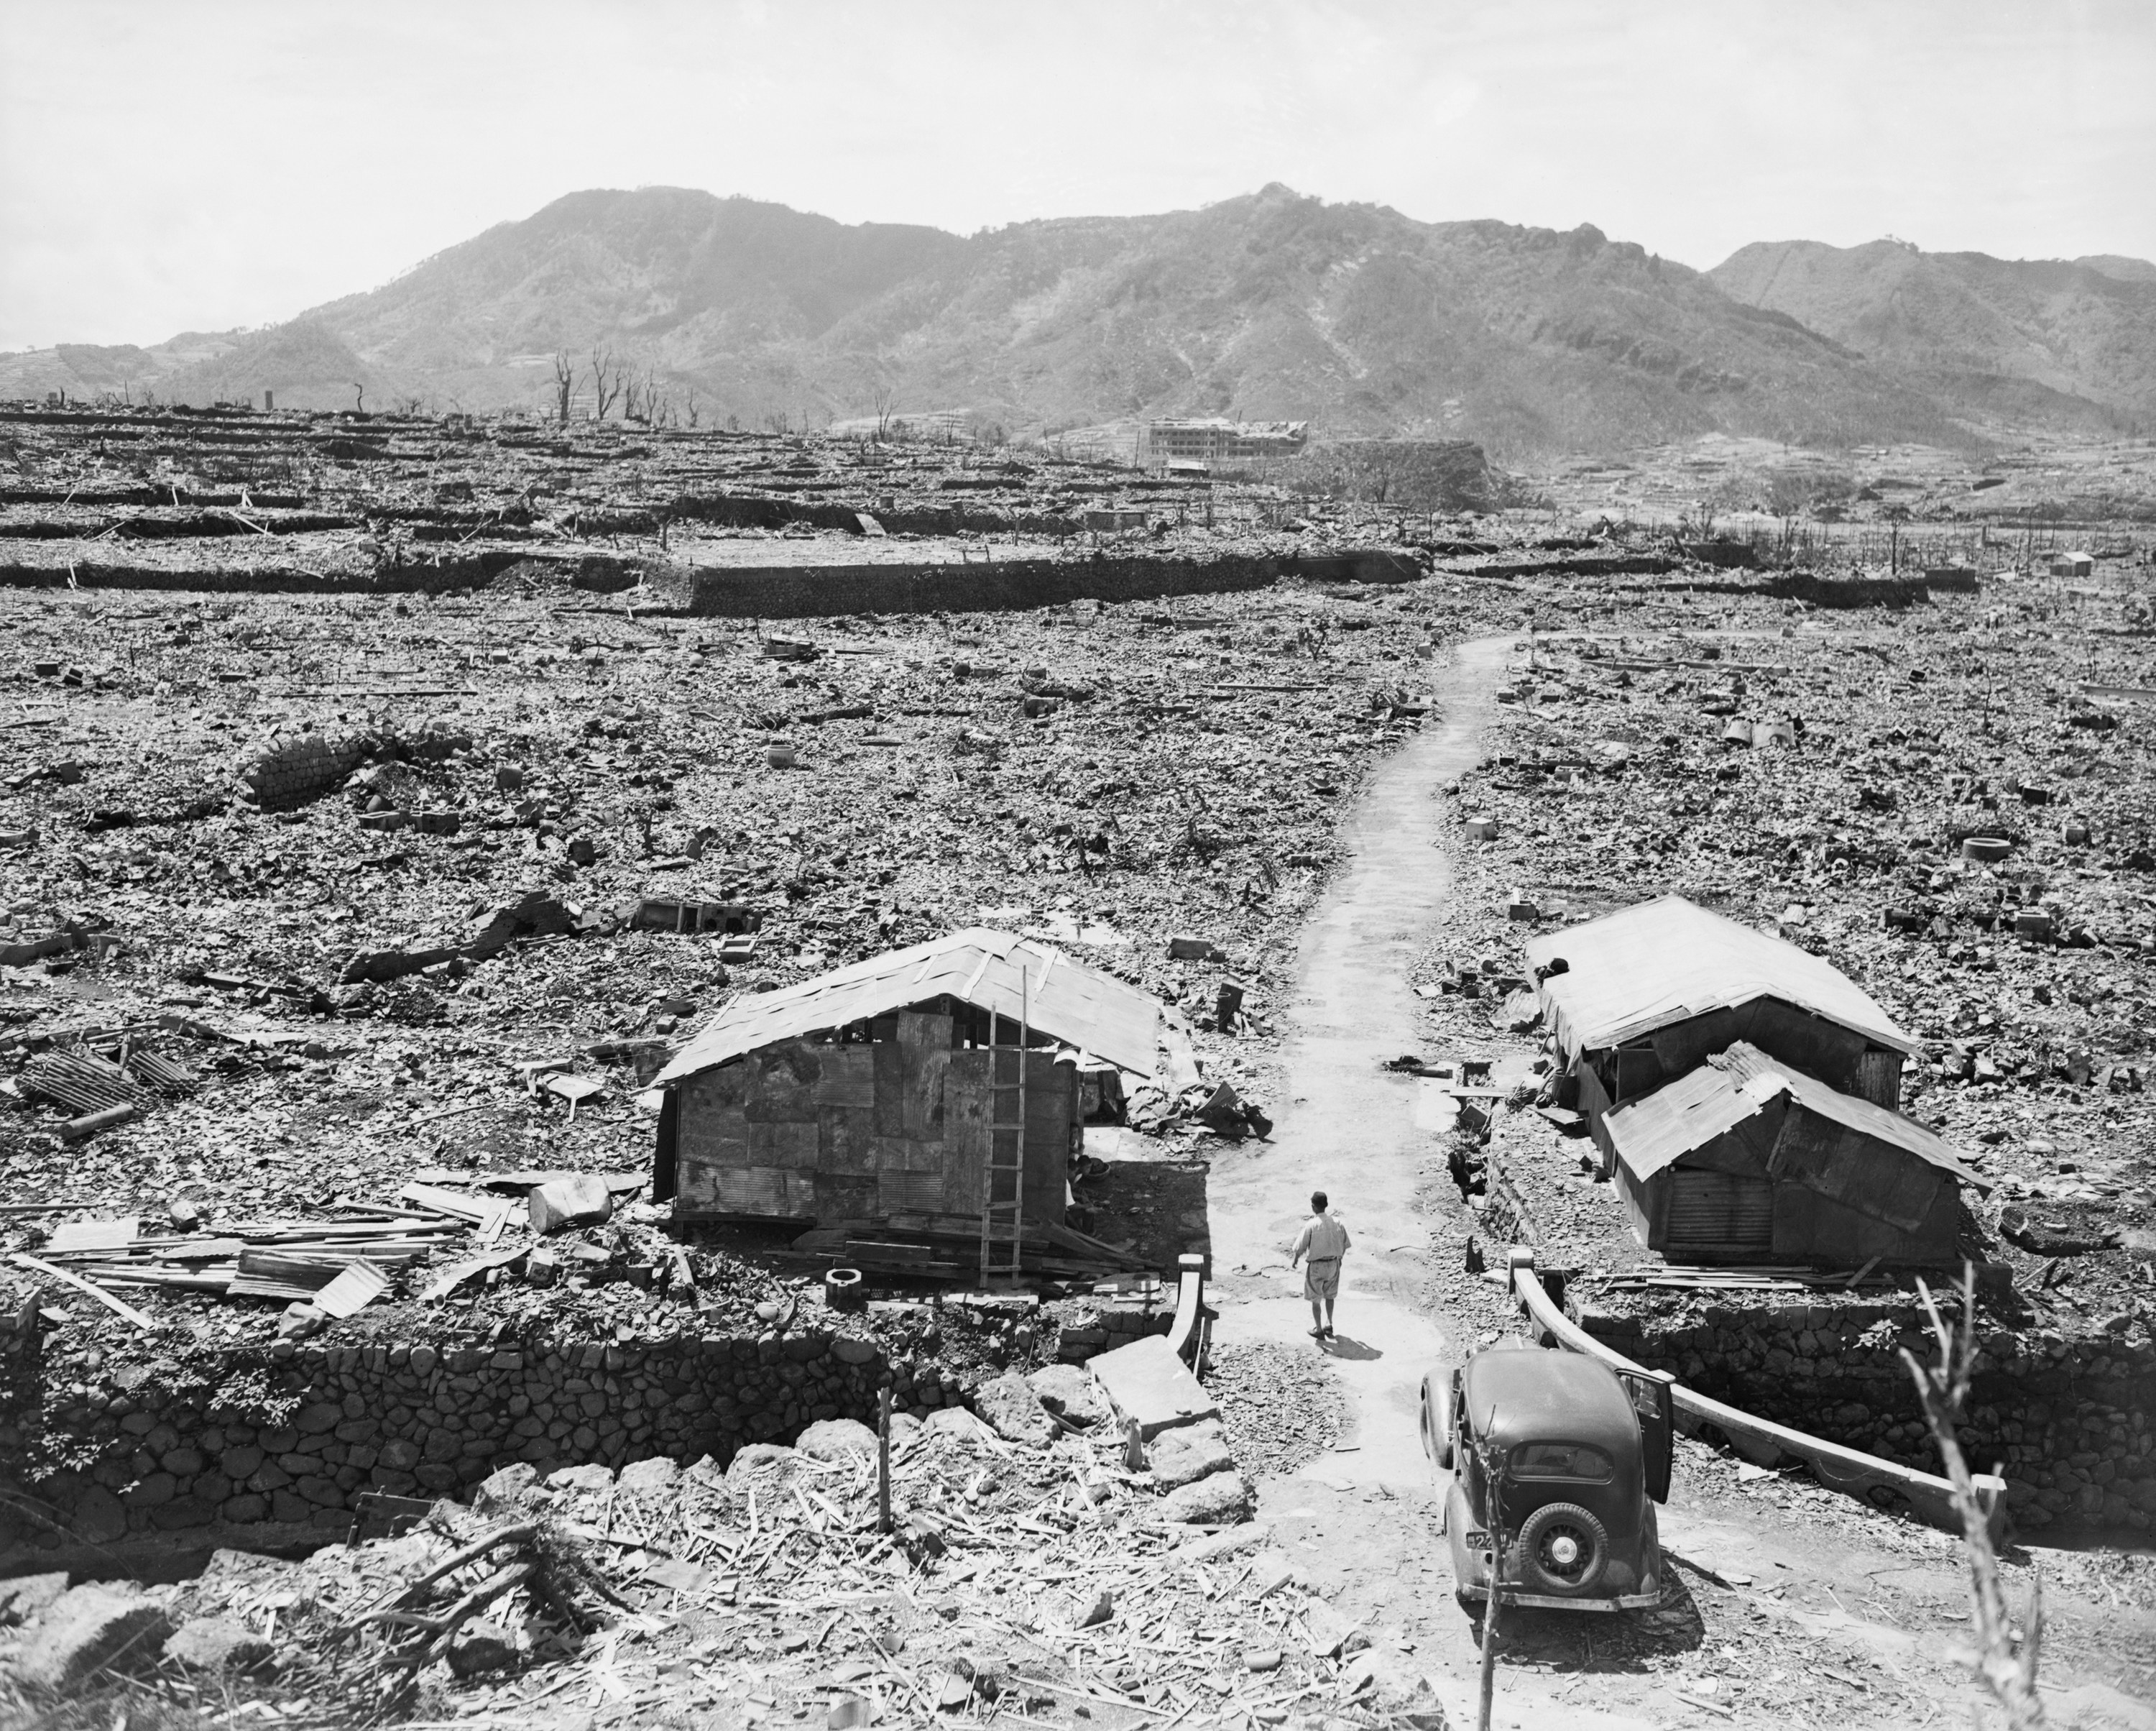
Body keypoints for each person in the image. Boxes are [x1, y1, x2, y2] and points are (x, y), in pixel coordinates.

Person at [1289, 1190, 1350, 1340]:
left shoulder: (1311, 1224)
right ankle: (1328, 1324)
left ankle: (1319, 1330)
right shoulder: (1337, 1223)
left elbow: (1300, 1246)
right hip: (1333, 1264)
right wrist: (1339, 1258)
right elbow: (1345, 1244)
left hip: (1317, 1266)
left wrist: (1296, 1259)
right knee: (1330, 1296)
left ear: (1313, 1206)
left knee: (1316, 1299)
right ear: (1326, 1205)